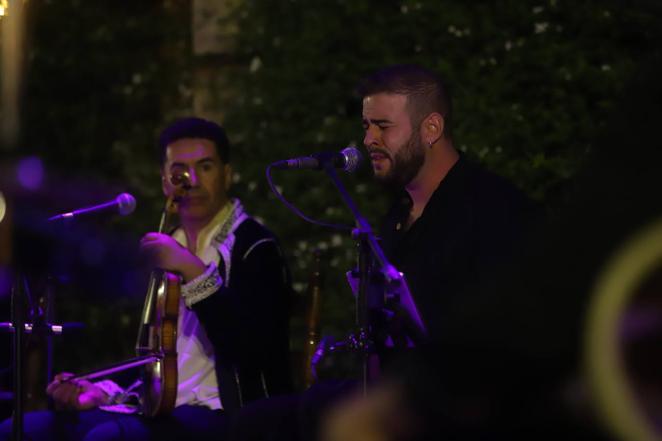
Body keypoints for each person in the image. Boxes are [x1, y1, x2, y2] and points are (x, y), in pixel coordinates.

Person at [0, 117, 292, 440]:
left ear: (227, 174)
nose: (191, 180)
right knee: (23, 430)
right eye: (179, 171)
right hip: (161, 409)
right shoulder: (168, 242)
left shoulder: (255, 247)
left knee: (108, 438)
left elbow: (251, 349)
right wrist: (102, 392)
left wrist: (192, 270)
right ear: (165, 182)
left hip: (224, 413)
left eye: (205, 167)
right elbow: (160, 358)